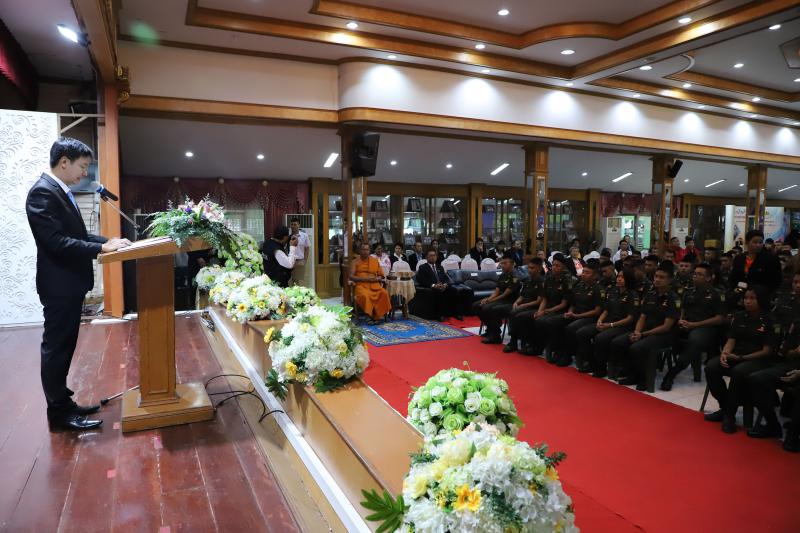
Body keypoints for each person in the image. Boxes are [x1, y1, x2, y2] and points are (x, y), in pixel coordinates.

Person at [26, 138, 131, 431]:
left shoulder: (59, 191)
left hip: (69, 284)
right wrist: (101, 249)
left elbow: (78, 235)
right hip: (59, 286)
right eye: (82, 166)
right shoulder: (42, 193)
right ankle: (58, 414)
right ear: (64, 162)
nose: (85, 173)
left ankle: (64, 403)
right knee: (57, 349)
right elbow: (57, 242)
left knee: (64, 347)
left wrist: (108, 241)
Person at [704, 286, 775, 433]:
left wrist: (743, 357)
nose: (747, 301)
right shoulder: (740, 316)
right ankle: (725, 407)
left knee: (738, 372)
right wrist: (725, 353)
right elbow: (732, 339)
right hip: (737, 355)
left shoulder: (769, 320)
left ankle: (729, 416)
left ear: (761, 300)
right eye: (746, 298)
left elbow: (766, 351)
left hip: (758, 359)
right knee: (711, 367)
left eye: (752, 298)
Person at [744, 273, 800, 440]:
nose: (797, 285)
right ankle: (773, 425)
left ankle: (793, 433)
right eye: (795, 282)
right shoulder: (785, 301)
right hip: (785, 356)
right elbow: (774, 325)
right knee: (755, 379)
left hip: (795, 361)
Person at [611, 264, 678, 391]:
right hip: (645, 331)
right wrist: (637, 332)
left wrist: (642, 334)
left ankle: (644, 378)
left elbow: (666, 326)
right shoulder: (650, 295)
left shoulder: (673, 299)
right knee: (619, 342)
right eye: (656, 276)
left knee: (637, 348)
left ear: (669, 280)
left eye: (662, 277)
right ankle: (631, 372)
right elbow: (642, 317)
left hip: (663, 335)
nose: (657, 279)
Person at [660, 263, 725, 391]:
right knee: (668, 331)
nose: (695, 276)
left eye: (699, 274)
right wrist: (681, 320)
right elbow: (683, 309)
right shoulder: (688, 291)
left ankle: (671, 374)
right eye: (694, 273)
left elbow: (719, 319)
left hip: (706, 328)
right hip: (688, 324)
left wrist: (695, 325)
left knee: (694, 341)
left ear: (708, 278)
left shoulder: (717, 294)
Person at [577, 269, 640, 377]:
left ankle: (601, 368)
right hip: (607, 322)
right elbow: (606, 310)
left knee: (600, 338)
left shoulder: (633, 295)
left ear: (628, 279)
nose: (619, 279)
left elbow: (630, 318)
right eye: (618, 276)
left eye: (622, 277)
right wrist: (599, 321)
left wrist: (611, 325)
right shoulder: (612, 291)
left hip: (622, 326)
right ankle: (591, 362)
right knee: (582, 333)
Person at [542, 264, 602, 367]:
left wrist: (577, 316)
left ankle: (568, 355)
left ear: (595, 276)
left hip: (589, 317)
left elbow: (597, 311)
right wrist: (570, 312)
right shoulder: (579, 286)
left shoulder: (598, 289)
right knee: (552, 322)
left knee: (570, 328)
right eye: (583, 272)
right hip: (575, 314)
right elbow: (573, 304)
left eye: (587, 273)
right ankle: (556, 349)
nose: (583, 274)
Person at [520, 254, 573, 356]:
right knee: (532, 317)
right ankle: (534, 345)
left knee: (543, 321)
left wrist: (545, 312)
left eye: (558, 266)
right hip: (548, 308)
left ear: (563, 267)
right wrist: (540, 311)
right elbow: (544, 298)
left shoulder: (567, 281)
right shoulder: (549, 279)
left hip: (560, 310)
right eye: (553, 265)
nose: (554, 267)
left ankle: (550, 347)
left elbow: (563, 304)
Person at [473, 255, 521, 344]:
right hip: (500, 299)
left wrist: (490, 301)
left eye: (505, 263)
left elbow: (505, 294)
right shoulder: (503, 275)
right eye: (501, 263)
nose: (502, 265)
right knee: (477, 305)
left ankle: (495, 335)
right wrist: (488, 299)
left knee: (488, 308)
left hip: (510, 300)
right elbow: (496, 292)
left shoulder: (515, 276)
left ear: (512, 264)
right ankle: (490, 329)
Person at [503, 257, 545, 353]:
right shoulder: (528, 280)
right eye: (529, 267)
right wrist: (517, 302)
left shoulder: (541, 282)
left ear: (539, 269)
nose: (529, 270)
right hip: (525, 305)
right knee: (513, 312)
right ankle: (514, 341)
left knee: (518, 315)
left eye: (532, 268)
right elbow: (522, 296)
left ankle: (521, 342)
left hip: (534, 307)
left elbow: (539, 301)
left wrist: (524, 305)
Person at [415, 249, 466, 321]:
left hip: (442, 286)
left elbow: (446, 278)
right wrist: (433, 285)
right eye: (431, 256)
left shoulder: (440, 267)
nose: (433, 257)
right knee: (439, 293)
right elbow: (422, 280)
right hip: (432, 288)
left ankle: (457, 313)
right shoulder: (423, 267)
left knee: (454, 291)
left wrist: (445, 284)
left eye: (434, 255)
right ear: (426, 257)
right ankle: (440, 315)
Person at [730, 229, 782, 296]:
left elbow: (776, 280)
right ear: (747, 243)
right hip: (740, 294)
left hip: (761, 296)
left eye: (760, 242)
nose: (758, 245)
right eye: (755, 242)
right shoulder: (739, 258)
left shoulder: (770, 259)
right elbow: (733, 278)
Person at [350, 242, 391, 324]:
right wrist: (364, 279)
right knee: (365, 295)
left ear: (369, 251)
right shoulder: (355, 261)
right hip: (361, 285)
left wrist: (376, 279)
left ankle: (377, 316)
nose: (365, 251)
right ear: (360, 250)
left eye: (367, 250)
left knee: (384, 293)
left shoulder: (374, 261)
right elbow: (351, 276)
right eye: (363, 249)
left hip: (374, 285)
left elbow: (381, 276)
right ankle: (369, 316)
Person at [289, 217, 310, 286]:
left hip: (299, 262)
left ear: (299, 225)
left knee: (299, 284)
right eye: (292, 224)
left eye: (295, 224)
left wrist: (304, 261)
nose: (293, 226)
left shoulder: (304, 235)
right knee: (289, 283)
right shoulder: (288, 236)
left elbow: (307, 249)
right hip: (289, 262)